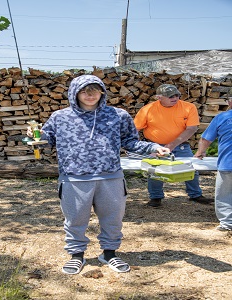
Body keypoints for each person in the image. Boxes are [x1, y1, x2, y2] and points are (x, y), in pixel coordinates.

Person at [27, 75, 169, 275]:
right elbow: (46, 140)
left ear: (102, 92)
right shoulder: (60, 117)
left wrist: (154, 147)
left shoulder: (118, 115)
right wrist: (35, 137)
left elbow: (131, 142)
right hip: (74, 178)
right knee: (75, 219)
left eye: (95, 90)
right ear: (75, 93)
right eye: (84, 90)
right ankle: (77, 256)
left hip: (110, 177)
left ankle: (109, 254)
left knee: (113, 218)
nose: (90, 94)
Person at [133, 84, 213, 208]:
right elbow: (134, 130)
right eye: (170, 96)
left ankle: (195, 195)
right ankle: (155, 197)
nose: (175, 98)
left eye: (177, 95)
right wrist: (138, 146)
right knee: (154, 170)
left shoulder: (188, 107)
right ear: (159, 97)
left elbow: (191, 128)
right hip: (155, 146)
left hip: (181, 146)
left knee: (191, 168)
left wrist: (171, 145)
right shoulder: (147, 109)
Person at [194, 97, 232, 231]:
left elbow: (205, 139)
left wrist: (200, 152)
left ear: (229, 102)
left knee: (225, 195)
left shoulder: (222, 117)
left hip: (228, 164)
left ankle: (227, 224)